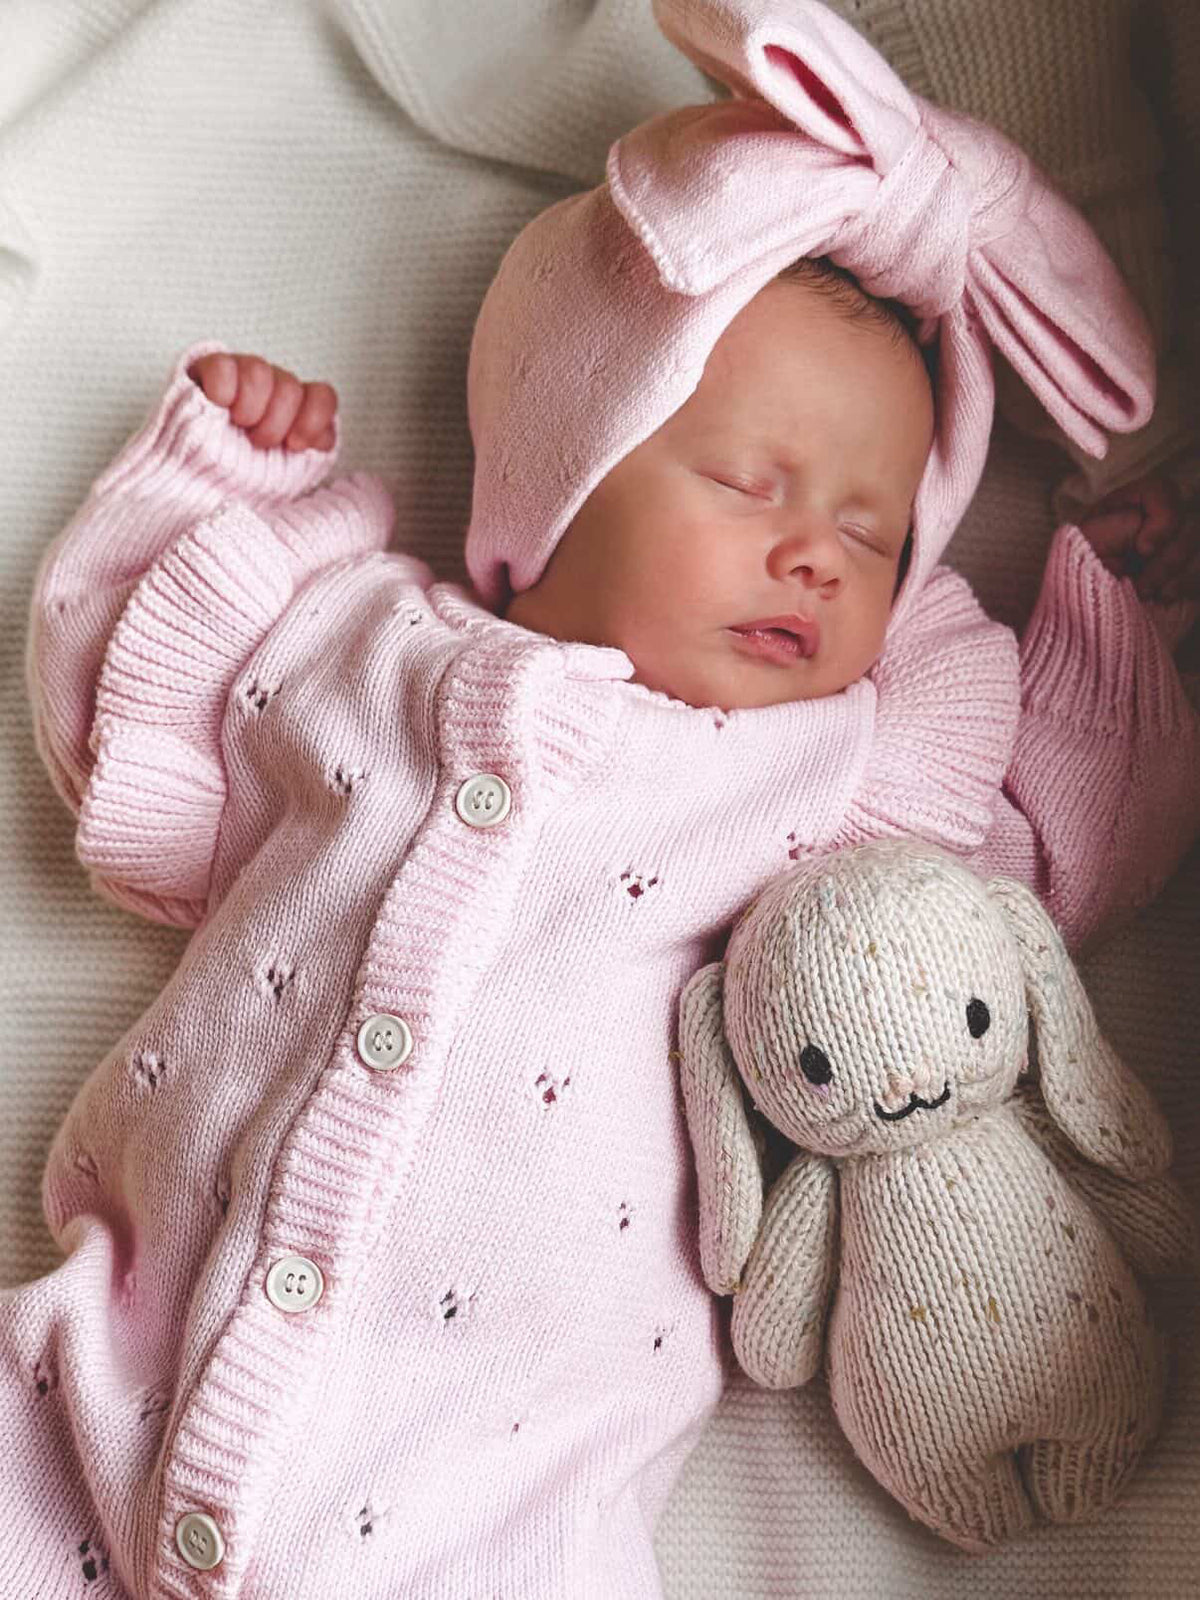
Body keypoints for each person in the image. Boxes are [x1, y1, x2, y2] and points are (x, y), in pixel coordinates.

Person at [6, 1, 1199, 1594]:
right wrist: (208, 482)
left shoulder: (833, 774)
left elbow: (1027, 877)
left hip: (498, 1520)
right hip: (86, 1403)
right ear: (563, 467)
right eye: (751, 481)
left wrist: (1118, 627)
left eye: (872, 534)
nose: (811, 553)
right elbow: (120, 724)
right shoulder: (358, 643)